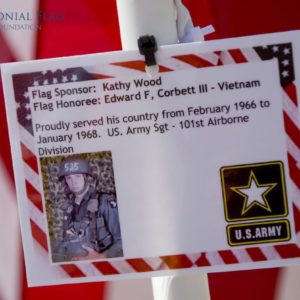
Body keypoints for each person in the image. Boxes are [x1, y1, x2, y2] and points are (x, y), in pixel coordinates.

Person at [53, 158, 123, 262]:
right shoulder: (68, 206)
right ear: (65, 181)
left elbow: (122, 240)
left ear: (86, 177)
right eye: (69, 178)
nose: (73, 182)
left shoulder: (104, 202)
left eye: (77, 176)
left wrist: (102, 257)